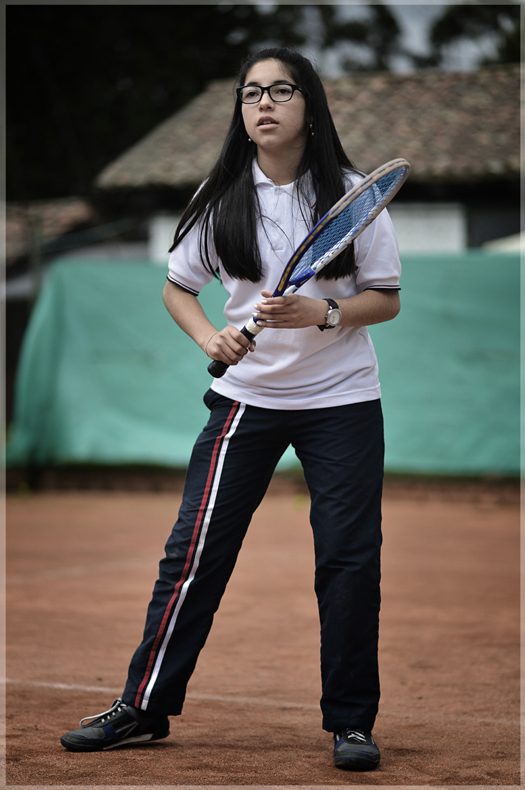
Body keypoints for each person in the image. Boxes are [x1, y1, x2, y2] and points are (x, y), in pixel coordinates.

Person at [60, 47, 401, 772]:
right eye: (250, 93)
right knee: (194, 552)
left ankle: (351, 722)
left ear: (310, 107)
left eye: (281, 91)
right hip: (246, 400)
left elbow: (386, 299)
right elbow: (178, 288)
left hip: (341, 401)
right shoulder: (220, 198)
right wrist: (208, 337)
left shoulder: (351, 196)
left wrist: (324, 311)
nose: (263, 104)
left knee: (348, 560)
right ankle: (144, 707)